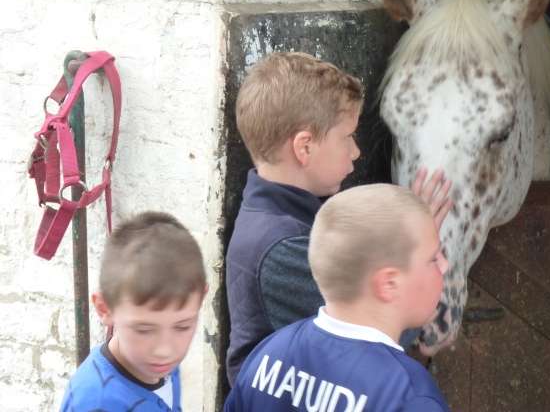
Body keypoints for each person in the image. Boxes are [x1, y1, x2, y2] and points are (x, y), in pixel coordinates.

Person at [226, 52, 451, 386]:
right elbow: (375, 340)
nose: (356, 151)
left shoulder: (286, 218)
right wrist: (419, 251)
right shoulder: (280, 249)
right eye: (347, 136)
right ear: (304, 148)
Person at [225, 184, 452, 412]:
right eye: (433, 259)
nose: (445, 266)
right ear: (389, 284)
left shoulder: (268, 353)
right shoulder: (411, 396)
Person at [59, 212, 208, 412]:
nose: (165, 350)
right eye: (144, 330)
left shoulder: (159, 365)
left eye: (183, 327)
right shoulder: (96, 404)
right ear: (105, 308)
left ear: (202, 298)